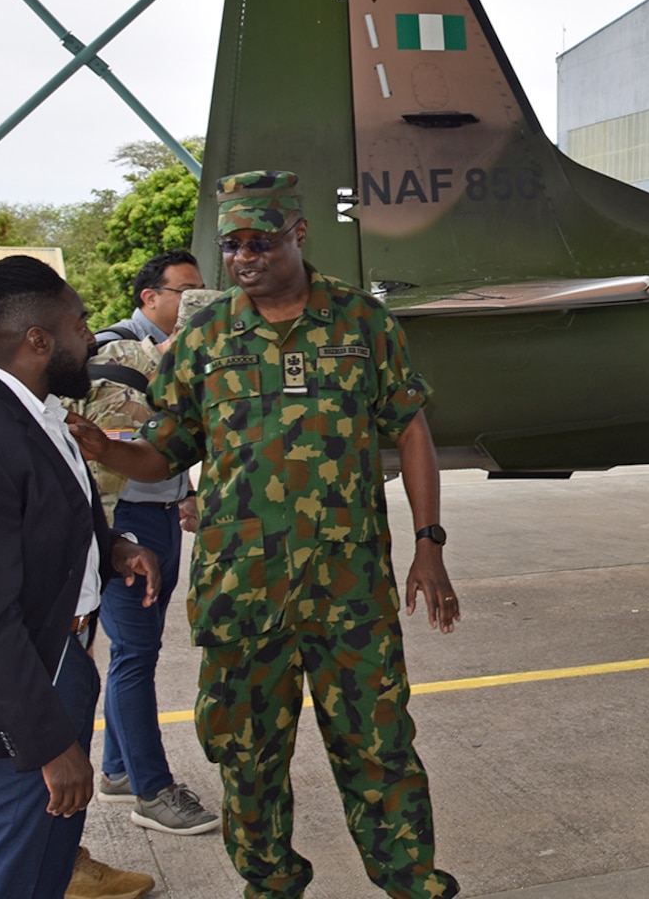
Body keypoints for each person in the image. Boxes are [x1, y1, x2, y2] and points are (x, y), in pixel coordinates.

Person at [82, 171, 461, 899]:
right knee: (246, 757)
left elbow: (410, 429)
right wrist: (108, 451)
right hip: (242, 594)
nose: (245, 257)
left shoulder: (361, 323)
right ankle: (270, 885)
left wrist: (430, 542)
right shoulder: (206, 333)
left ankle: (411, 882)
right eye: (232, 244)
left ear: (299, 233)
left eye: (261, 240)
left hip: (350, 590)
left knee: (379, 748)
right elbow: (165, 449)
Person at [0, 243, 161, 899]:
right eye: (80, 326)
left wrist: (115, 550)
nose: (90, 338)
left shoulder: (43, 418)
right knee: (6, 872)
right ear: (40, 338)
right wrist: (49, 743)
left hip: (60, 659)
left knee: (46, 865)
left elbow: (49, 521)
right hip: (18, 690)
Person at [67, 271, 221, 837]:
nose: (196, 303)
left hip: (159, 515)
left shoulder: (173, 362)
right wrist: (114, 542)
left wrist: (185, 490)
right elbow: (106, 458)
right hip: (125, 527)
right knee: (134, 654)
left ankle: (116, 769)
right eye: (185, 291)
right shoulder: (117, 354)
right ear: (150, 297)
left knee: (137, 653)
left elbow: (175, 438)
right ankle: (153, 791)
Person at [95, 250, 203, 347]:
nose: (200, 300)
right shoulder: (112, 344)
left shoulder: (198, 342)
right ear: (150, 299)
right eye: (188, 292)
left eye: (202, 291)